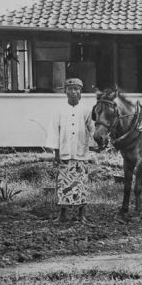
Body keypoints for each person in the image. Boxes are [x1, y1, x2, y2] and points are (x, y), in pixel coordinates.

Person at [45, 77, 95, 223]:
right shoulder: (59, 110)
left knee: (81, 184)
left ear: (81, 92)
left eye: (76, 89)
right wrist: (56, 152)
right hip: (65, 153)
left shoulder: (86, 110)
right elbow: (54, 131)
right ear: (65, 91)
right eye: (70, 89)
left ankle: (81, 214)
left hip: (81, 153)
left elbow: (92, 129)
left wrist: (97, 141)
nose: (73, 92)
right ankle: (62, 214)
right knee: (63, 184)